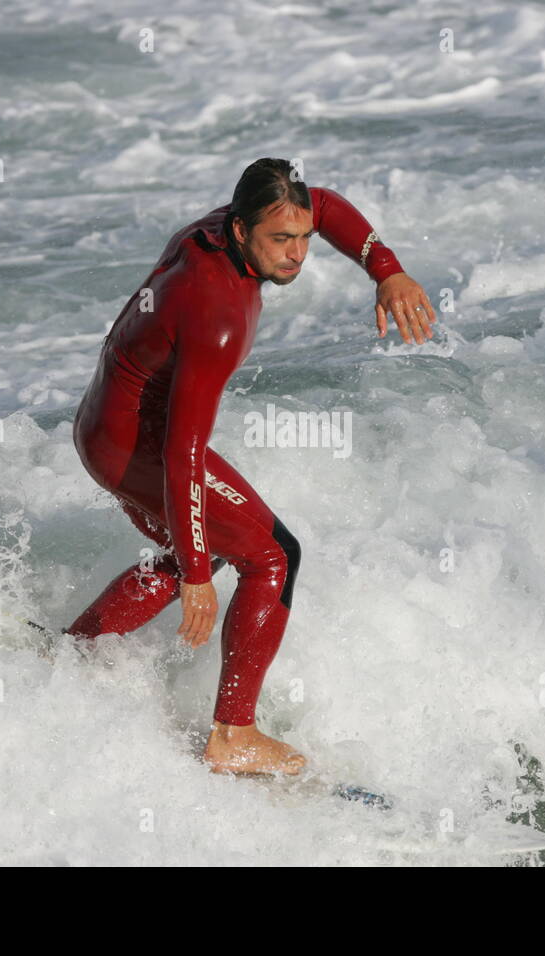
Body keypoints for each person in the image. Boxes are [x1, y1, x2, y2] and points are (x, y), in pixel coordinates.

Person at [68, 158, 435, 775]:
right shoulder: (216, 311)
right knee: (272, 555)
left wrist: (387, 271)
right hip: (141, 448)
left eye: (302, 240)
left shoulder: (225, 225)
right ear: (240, 232)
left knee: (201, 546)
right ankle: (233, 735)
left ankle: (71, 658)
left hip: (102, 429)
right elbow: (183, 453)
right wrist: (194, 576)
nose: (296, 255)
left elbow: (327, 205)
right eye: (280, 241)